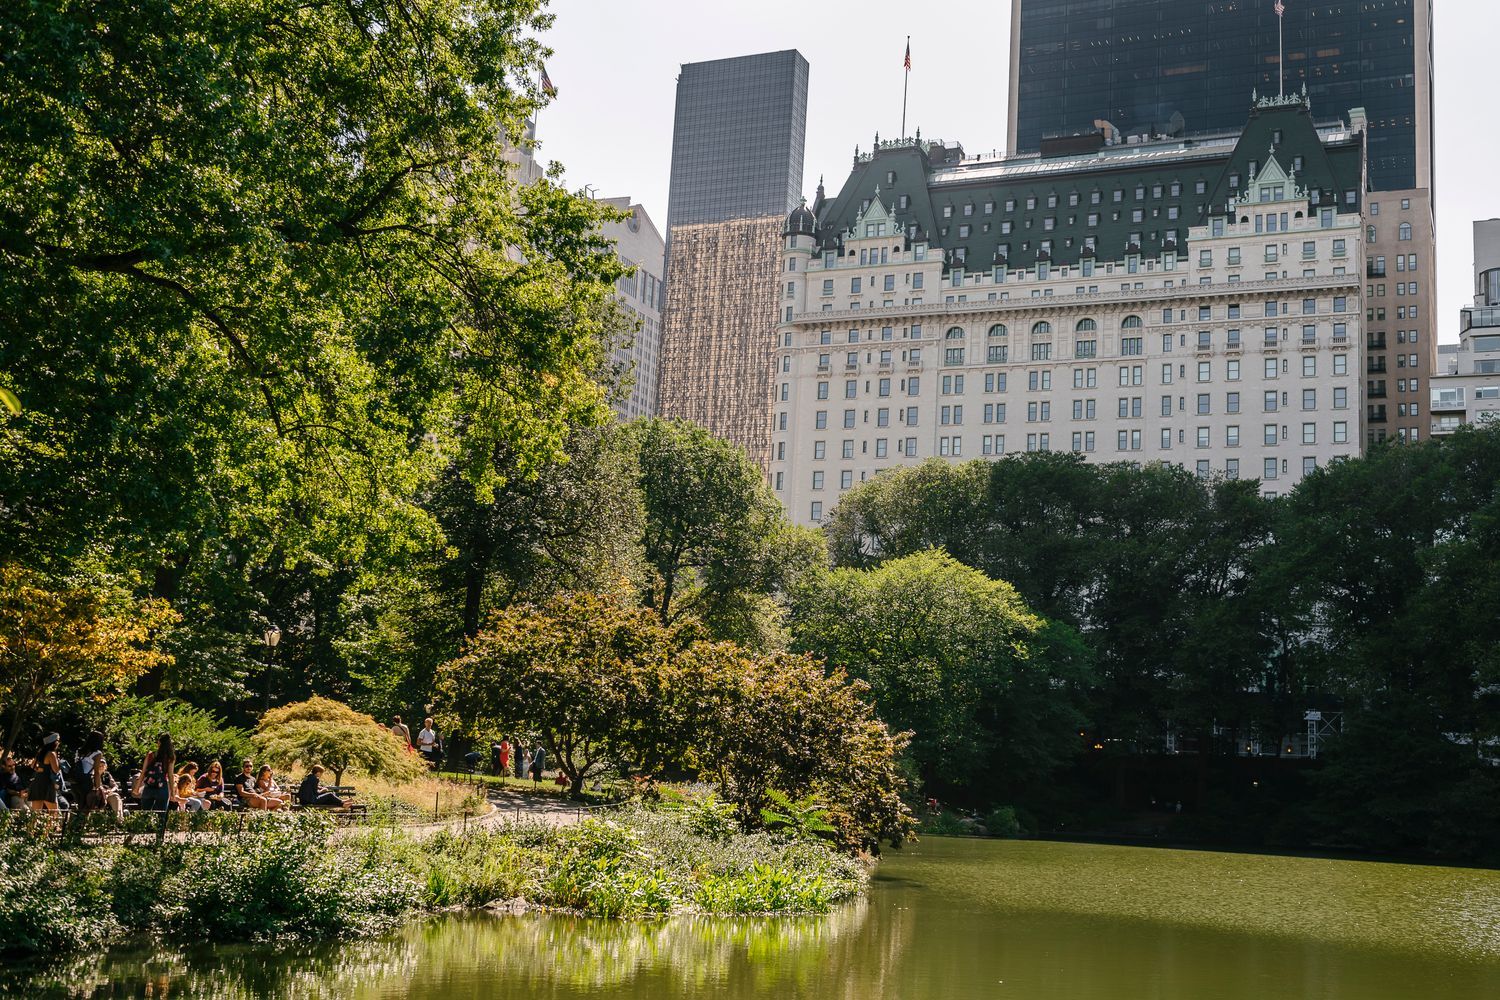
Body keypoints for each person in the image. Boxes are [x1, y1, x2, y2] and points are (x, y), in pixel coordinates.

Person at [134, 733, 175, 811]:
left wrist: (137, 788)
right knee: (161, 815)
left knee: (145, 814)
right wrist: (172, 792)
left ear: (159, 743)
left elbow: (143, 772)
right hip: (162, 787)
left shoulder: (150, 755)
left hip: (149, 786)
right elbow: (170, 775)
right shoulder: (170, 757)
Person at [28, 733, 62, 813]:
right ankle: (53, 826)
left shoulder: (41, 752)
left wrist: (40, 769)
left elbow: (32, 766)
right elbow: (56, 770)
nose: (59, 742)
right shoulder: (52, 754)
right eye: (58, 740)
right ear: (54, 742)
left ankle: (32, 826)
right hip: (47, 784)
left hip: (38, 781)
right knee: (54, 812)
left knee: (35, 813)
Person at [84, 754, 126, 820]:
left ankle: (119, 819)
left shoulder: (107, 775)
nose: (101, 767)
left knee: (116, 796)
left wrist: (111, 790)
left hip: (108, 793)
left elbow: (115, 786)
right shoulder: (91, 775)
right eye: (99, 766)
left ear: (105, 767)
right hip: (97, 794)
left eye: (103, 766)